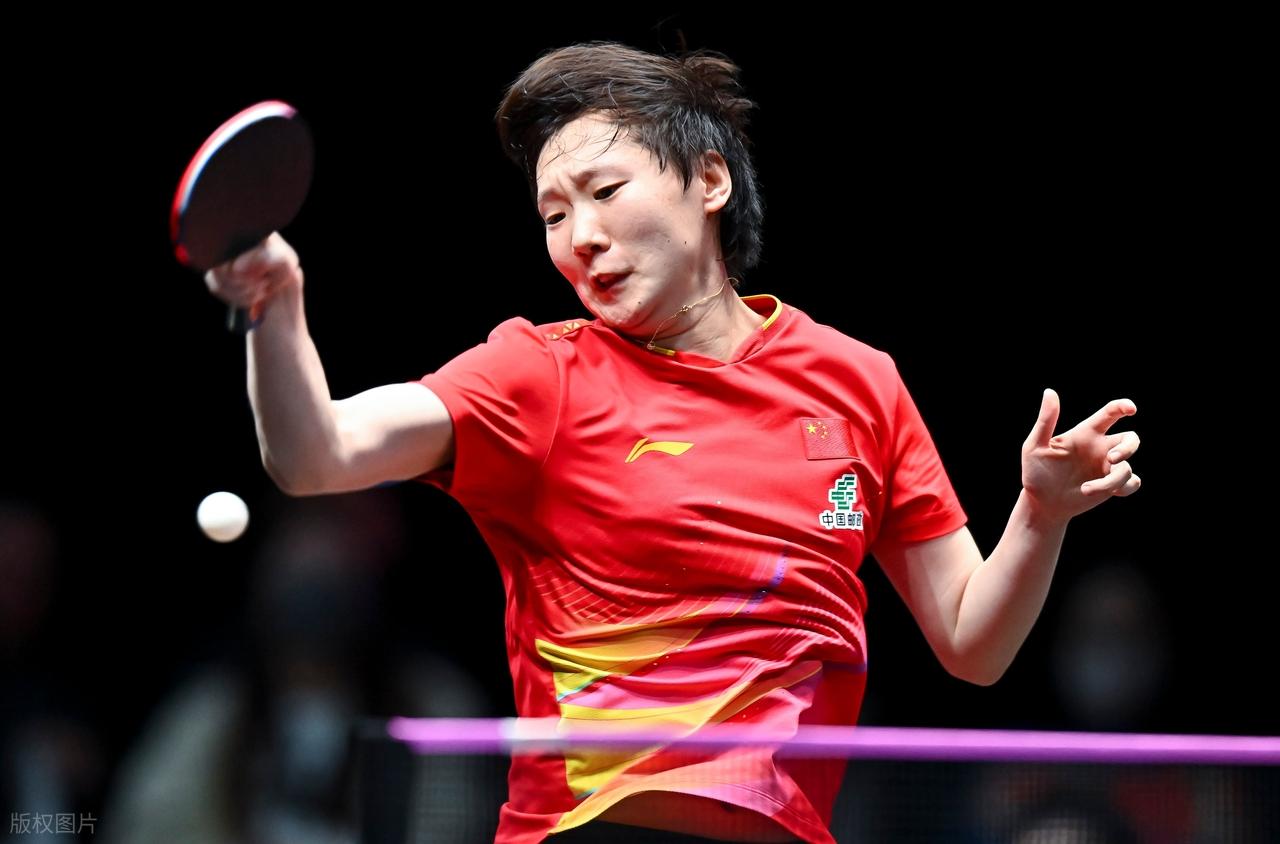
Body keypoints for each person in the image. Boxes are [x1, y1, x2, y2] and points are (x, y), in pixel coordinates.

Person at [205, 41, 1141, 844]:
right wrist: (276, 309)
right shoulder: (539, 375)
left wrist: (1041, 513)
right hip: (590, 830)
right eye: (553, 215)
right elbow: (318, 454)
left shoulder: (859, 381)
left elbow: (974, 644)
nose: (581, 237)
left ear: (708, 181)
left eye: (605, 191)